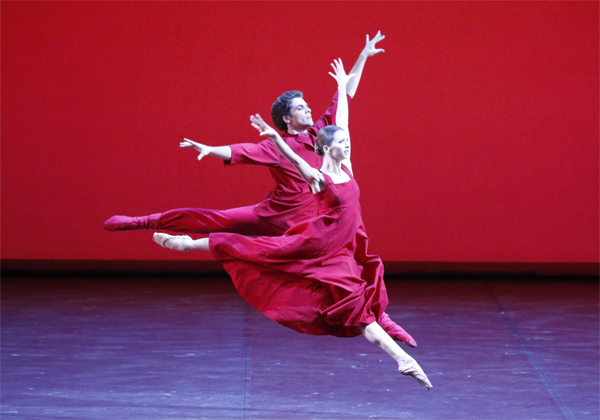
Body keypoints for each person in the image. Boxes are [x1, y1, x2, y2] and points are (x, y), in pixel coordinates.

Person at [104, 31, 418, 348]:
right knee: (215, 218)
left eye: (308, 105)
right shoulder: (276, 146)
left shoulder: (324, 132)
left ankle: (382, 319)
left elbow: (345, 97)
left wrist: (362, 56)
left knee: (355, 264)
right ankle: (142, 222)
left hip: (303, 225)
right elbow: (239, 151)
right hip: (271, 214)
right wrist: (210, 148)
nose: (309, 110)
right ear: (287, 118)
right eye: (301, 108)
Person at [152, 59, 432, 389]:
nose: (348, 145)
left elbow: (343, 116)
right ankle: (191, 243)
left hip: (347, 247)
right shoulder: (319, 179)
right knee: (253, 248)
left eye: (347, 142)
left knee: (360, 305)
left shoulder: (348, 169)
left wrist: (346, 81)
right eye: (342, 143)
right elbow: (297, 160)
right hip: (318, 245)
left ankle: (402, 359)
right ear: (327, 148)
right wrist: (276, 137)